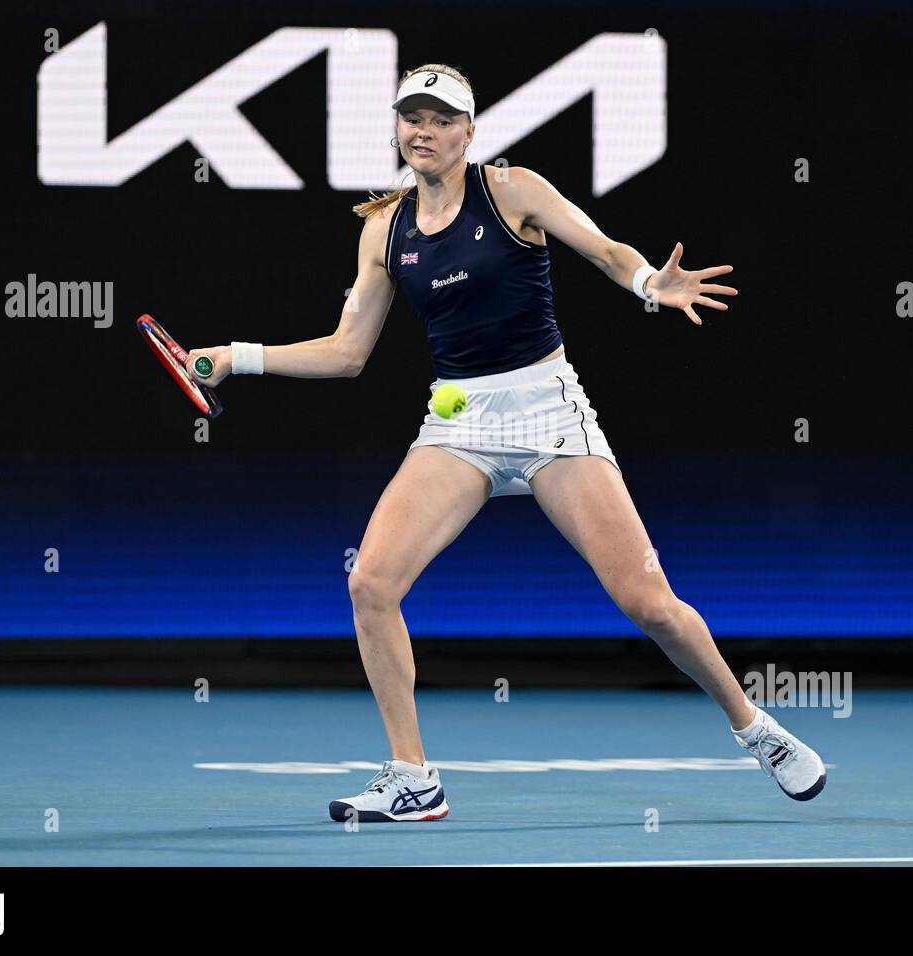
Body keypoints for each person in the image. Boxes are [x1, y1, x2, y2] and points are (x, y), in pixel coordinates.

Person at [187, 64, 826, 822]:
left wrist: (652, 284)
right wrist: (236, 356)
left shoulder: (513, 189)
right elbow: (347, 351)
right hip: (459, 422)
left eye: (440, 118)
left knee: (648, 603)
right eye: (411, 118)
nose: (422, 130)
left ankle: (755, 729)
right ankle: (413, 778)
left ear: (468, 131)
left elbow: (605, 248)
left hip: (549, 414)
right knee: (370, 584)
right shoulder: (381, 232)